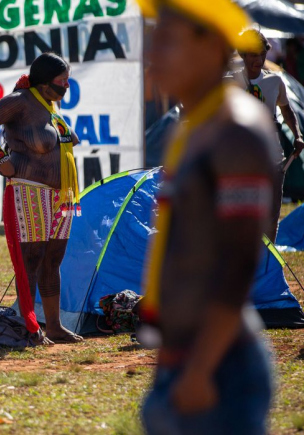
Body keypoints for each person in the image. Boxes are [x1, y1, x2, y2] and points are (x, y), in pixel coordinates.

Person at [136, 1, 276, 434]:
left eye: (167, 39)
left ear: (212, 44)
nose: (153, 53)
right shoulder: (195, 126)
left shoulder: (236, 130)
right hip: (185, 361)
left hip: (218, 371)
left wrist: (200, 370)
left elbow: (238, 262)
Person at [0, 53, 82, 344]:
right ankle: (29, 327)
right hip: (29, 188)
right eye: (62, 81)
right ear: (45, 83)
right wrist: (0, 157)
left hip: (61, 194)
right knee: (31, 259)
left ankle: (55, 326)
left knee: (53, 259)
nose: (66, 85)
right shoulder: (20, 101)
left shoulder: (50, 107)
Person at [227, 29, 304, 240]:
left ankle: (268, 265)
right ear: (243, 55)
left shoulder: (275, 82)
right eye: (253, 54)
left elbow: (287, 110)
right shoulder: (229, 83)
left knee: (271, 215)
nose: (259, 59)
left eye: (262, 54)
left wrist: (297, 135)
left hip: (272, 157)